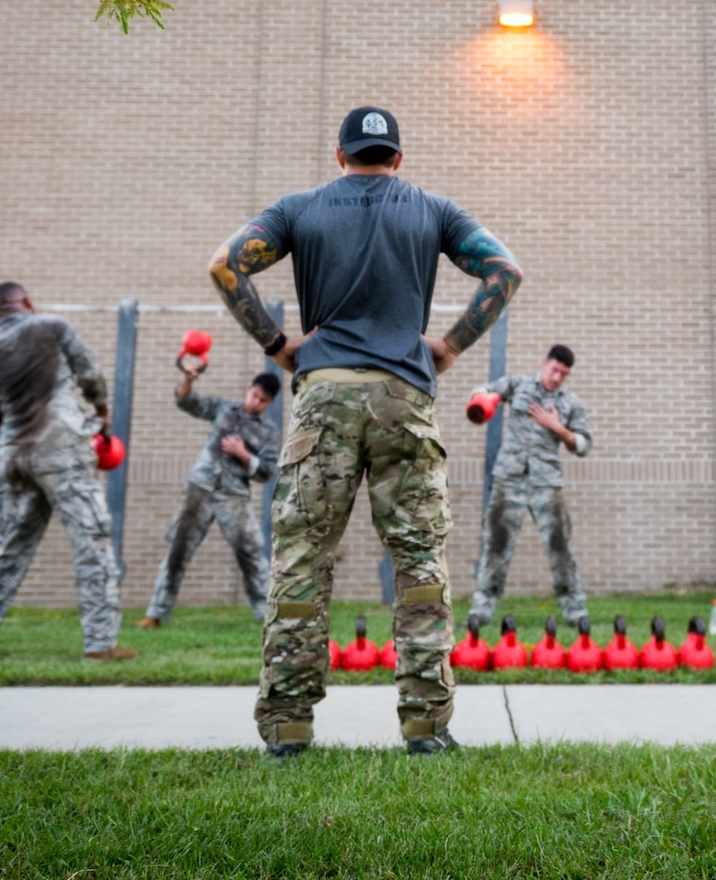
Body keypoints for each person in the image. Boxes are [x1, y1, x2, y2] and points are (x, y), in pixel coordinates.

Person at [209, 105, 520, 759]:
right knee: (418, 562)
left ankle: (289, 729)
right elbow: (504, 271)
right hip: (404, 395)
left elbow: (224, 265)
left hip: (323, 395)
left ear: (339, 153)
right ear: (398, 158)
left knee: (301, 558)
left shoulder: (300, 208)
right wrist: (451, 346)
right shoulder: (434, 210)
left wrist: (278, 343)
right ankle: (427, 727)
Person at [0, 282, 134, 661]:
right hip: (63, 451)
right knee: (92, 540)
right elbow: (90, 373)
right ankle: (101, 643)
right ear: (27, 303)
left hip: (16, 459)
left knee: (7, 552)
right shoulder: (51, 326)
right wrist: (101, 414)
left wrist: (17, 402)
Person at [137, 367, 284, 628]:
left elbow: (267, 471)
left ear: (270, 403)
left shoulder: (269, 432)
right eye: (254, 395)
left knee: (248, 552)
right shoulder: (223, 408)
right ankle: (156, 614)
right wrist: (188, 380)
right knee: (178, 549)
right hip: (200, 488)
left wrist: (244, 455)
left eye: (263, 400)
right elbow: (186, 401)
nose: (256, 402)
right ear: (248, 389)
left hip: (233, 496)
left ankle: (268, 616)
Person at [465, 345, 594, 631]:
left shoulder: (570, 403)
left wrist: (558, 428)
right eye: (554, 369)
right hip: (508, 479)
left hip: (546, 483)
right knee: (496, 546)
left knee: (559, 547)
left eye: (564, 373)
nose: (557, 377)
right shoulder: (518, 385)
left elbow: (585, 445)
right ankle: (480, 612)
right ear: (544, 364)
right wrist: (485, 400)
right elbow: (480, 391)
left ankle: (576, 613)